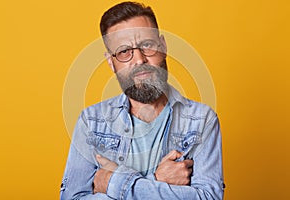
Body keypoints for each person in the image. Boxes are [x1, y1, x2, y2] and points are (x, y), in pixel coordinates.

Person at [60, 1, 224, 199]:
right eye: (124, 51)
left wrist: (113, 184)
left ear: (163, 46)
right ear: (111, 63)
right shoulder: (92, 121)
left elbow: (209, 197)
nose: (139, 59)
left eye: (147, 45)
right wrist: (155, 180)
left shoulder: (201, 120)